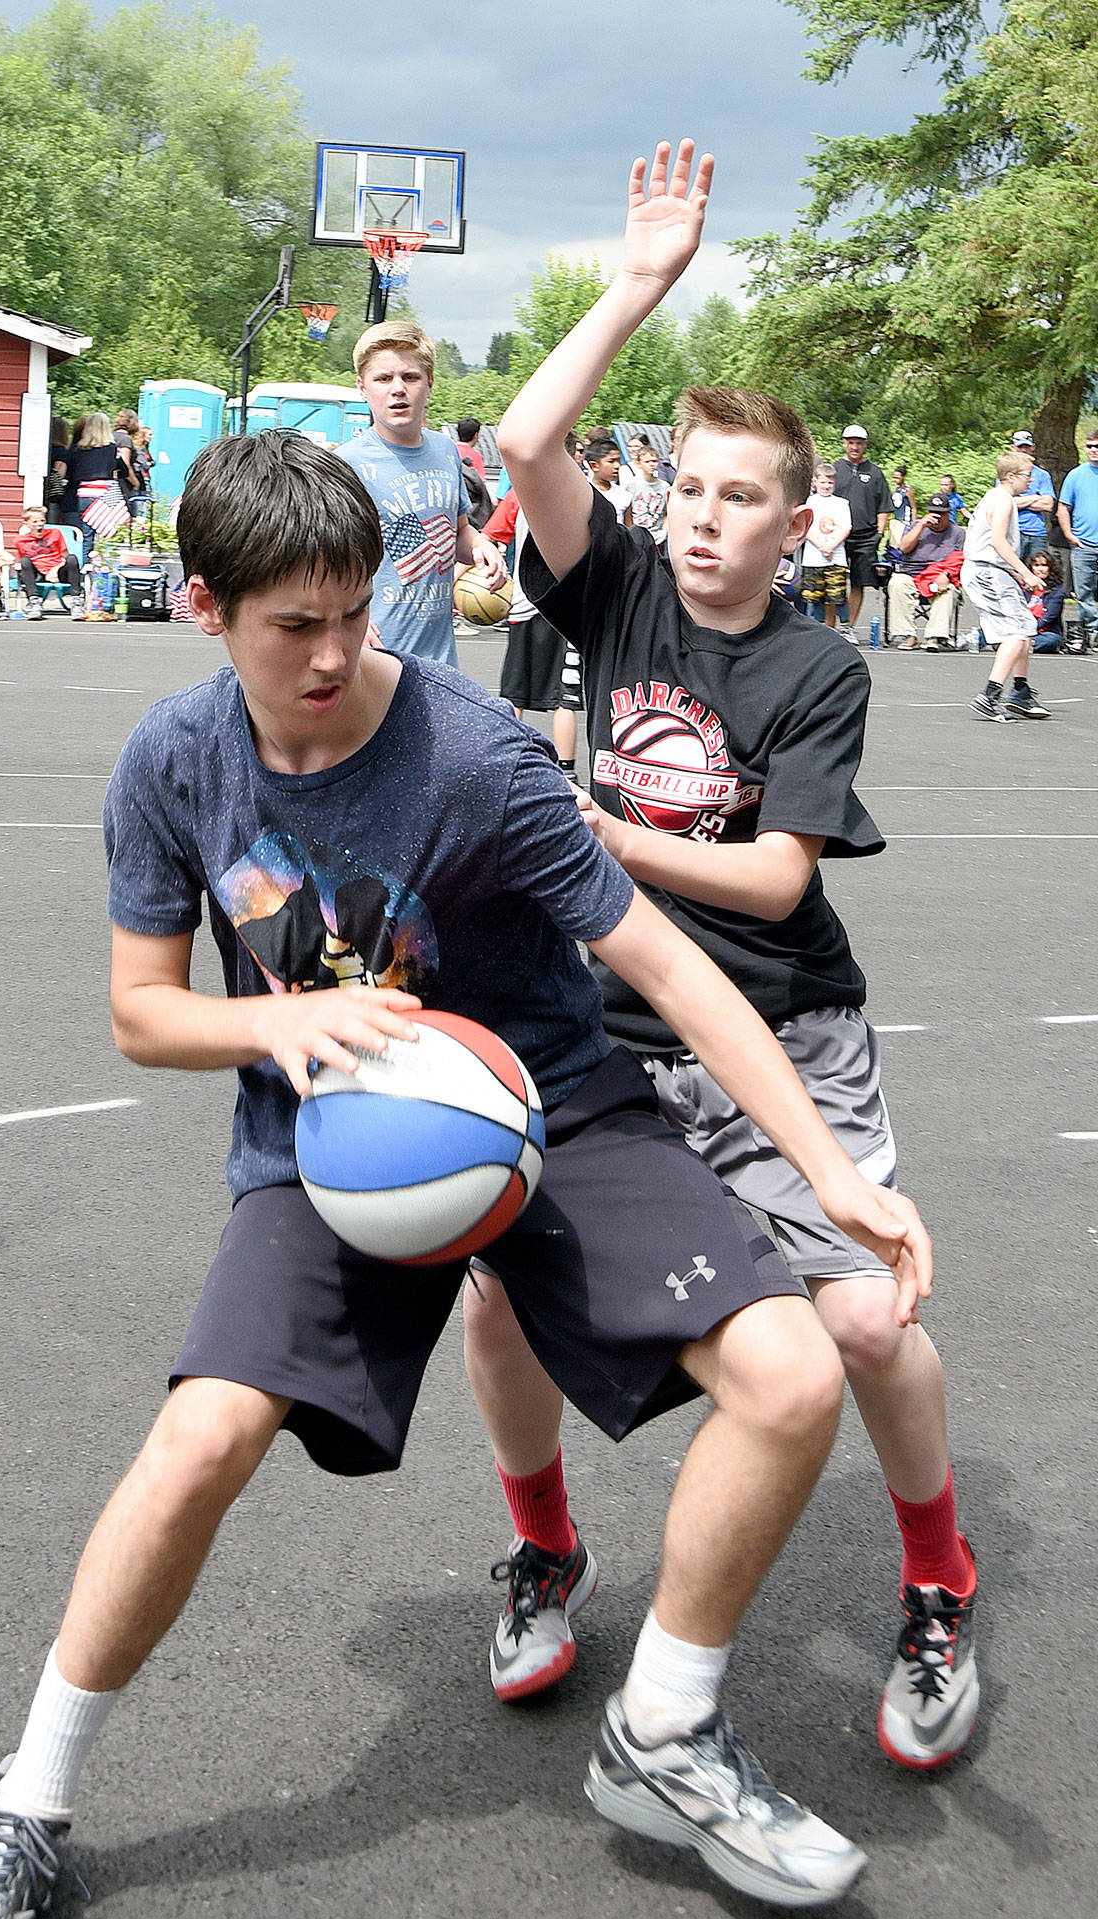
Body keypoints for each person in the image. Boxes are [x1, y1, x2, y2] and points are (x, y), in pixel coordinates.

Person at [0, 422, 933, 1919]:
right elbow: (139, 1013)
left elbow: (666, 965)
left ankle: (664, 1725)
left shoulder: (471, 753)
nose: (333, 655)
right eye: (291, 627)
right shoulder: (175, 764)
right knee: (200, 1438)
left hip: (552, 1098)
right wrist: (275, 1031)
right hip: (332, 1142)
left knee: (796, 1372)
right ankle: (23, 1806)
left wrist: (834, 1170)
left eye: (353, 614)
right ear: (203, 609)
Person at [465, 138, 975, 1808]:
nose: (703, 519)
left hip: (786, 1029)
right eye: (686, 487)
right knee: (497, 1285)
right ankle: (545, 1551)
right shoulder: (612, 590)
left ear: (796, 517)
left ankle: (938, 1581)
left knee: (866, 1320)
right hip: (616, 1025)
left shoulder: (820, 670)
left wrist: (596, 826)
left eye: (740, 495)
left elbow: (768, 874)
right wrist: (639, 283)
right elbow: (525, 442)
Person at [341, 321, 506, 666]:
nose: (397, 389)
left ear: (429, 383)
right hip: (374, 654)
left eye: (410, 377)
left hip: (440, 659)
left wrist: (481, 547)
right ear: (361, 387)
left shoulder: (446, 451)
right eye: (383, 379)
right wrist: (344, 616)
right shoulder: (346, 465)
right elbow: (321, 562)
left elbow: (458, 530)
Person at [488, 450, 578, 779]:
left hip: (537, 605)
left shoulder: (519, 494)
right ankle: (566, 772)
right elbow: (492, 537)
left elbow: (492, 537)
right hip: (562, 607)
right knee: (561, 696)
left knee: (517, 692)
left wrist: (493, 563)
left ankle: (512, 766)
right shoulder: (579, 491)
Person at [961, 453, 1050, 719]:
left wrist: (1014, 572)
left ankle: (1020, 691)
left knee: (1025, 627)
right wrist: (1027, 572)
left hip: (994, 571)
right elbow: (998, 542)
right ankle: (989, 696)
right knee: (1016, 632)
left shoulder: (999, 498)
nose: (1031, 480)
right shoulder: (1002, 501)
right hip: (987, 572)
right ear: (1011, 476)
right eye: (1027, 475)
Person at [886, 492, 966, 649]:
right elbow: (903, 548)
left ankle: (933, 636)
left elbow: (960, 560)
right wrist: (921, 526)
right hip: (910, 572)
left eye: (941, 514)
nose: (936, 518)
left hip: (939, 574)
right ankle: (908, 634)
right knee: (897, 583)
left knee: (948, 590)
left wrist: (946, 575)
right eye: (932, 513)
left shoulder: (958, 533)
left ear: (948, 513)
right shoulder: (916, 526)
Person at [833, 425, 890, 633]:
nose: (855, 447)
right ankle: (829, 628)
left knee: (858, 583)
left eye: (859, 443)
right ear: (844, 444)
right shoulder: (834, 469)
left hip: (866, 537)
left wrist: (879, 534)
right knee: (833, 583)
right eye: (851, 443)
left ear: (865, 445)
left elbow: (884, 507)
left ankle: (849, 627)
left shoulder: (875, 473)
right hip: (836, 537)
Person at [64, 413, 129, 560]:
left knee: (86, 535)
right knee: (108, 533)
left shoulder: (77, 449)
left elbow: (70, 474)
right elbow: (124, 471)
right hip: (105, 493)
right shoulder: (112, 449)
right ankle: (103, 570)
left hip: (84, 493)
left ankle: (83, 569)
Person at [1057, 428, 1098, 654]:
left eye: (1097, 446)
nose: (1093, 450)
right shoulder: (1076, 474)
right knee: (1083, 592)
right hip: (1084, 545)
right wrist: (1070, 535)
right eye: (1090, 446)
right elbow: (1063, 507)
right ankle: (1091, 633)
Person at [799, 458, 852, 633]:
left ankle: (839, 628)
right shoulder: (808, 502)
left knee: (836, 597)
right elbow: (803, 527)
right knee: (813, 597)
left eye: (830, 482)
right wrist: (821, 545)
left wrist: (831, 547)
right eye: (823, 482)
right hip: (813, 558)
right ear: (815, 482)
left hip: (836, 557)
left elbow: (846, 527)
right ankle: (813, 630)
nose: (826, 485)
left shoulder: (841, 503)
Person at [13, 506, 85, 621]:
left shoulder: (55, 533)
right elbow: (26, 565)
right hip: (38, 574)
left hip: (58, 571)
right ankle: (34, 602)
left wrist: (54, 569)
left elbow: (65, 556)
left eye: (42, 521)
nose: (39, 524)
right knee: (24, 561)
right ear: (26, 523)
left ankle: (76, 601)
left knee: (72, 558)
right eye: (35, 521)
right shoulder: (20, 541)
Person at [1007, 430, 1055, 556]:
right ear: (1013, 448)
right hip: (1013, 531)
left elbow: (1048, 505)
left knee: (1039, 572)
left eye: (1026, 446)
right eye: (1020, 447)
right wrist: (1035, 497)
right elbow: (1007, 502)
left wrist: (1019, 500)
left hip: (1037, 533)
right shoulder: (1007, 473)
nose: (1023, 450)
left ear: (1033, 447)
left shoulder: (1042, 475)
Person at [627, 438, 671, 545]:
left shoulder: (664, 486)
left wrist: (664, 532)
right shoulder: (632, 485)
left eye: (654, 461)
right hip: (638, 536)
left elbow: (667, 512)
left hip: (658, 536)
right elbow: (628, 513)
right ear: (639, 464)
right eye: (647, 462)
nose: (651, 464)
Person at [1026, 549, 1065, 654]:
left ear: (1050, 568)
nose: (1040, 569)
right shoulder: (1023, 588)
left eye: (1044, 565)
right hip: (1020, 628)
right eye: (1036, 565)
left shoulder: (1056, 591)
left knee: (1052, 640)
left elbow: (1048, 617)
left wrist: (1028, 630)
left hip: (1043, 632)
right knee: (988, 631)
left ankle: (1016, 646)